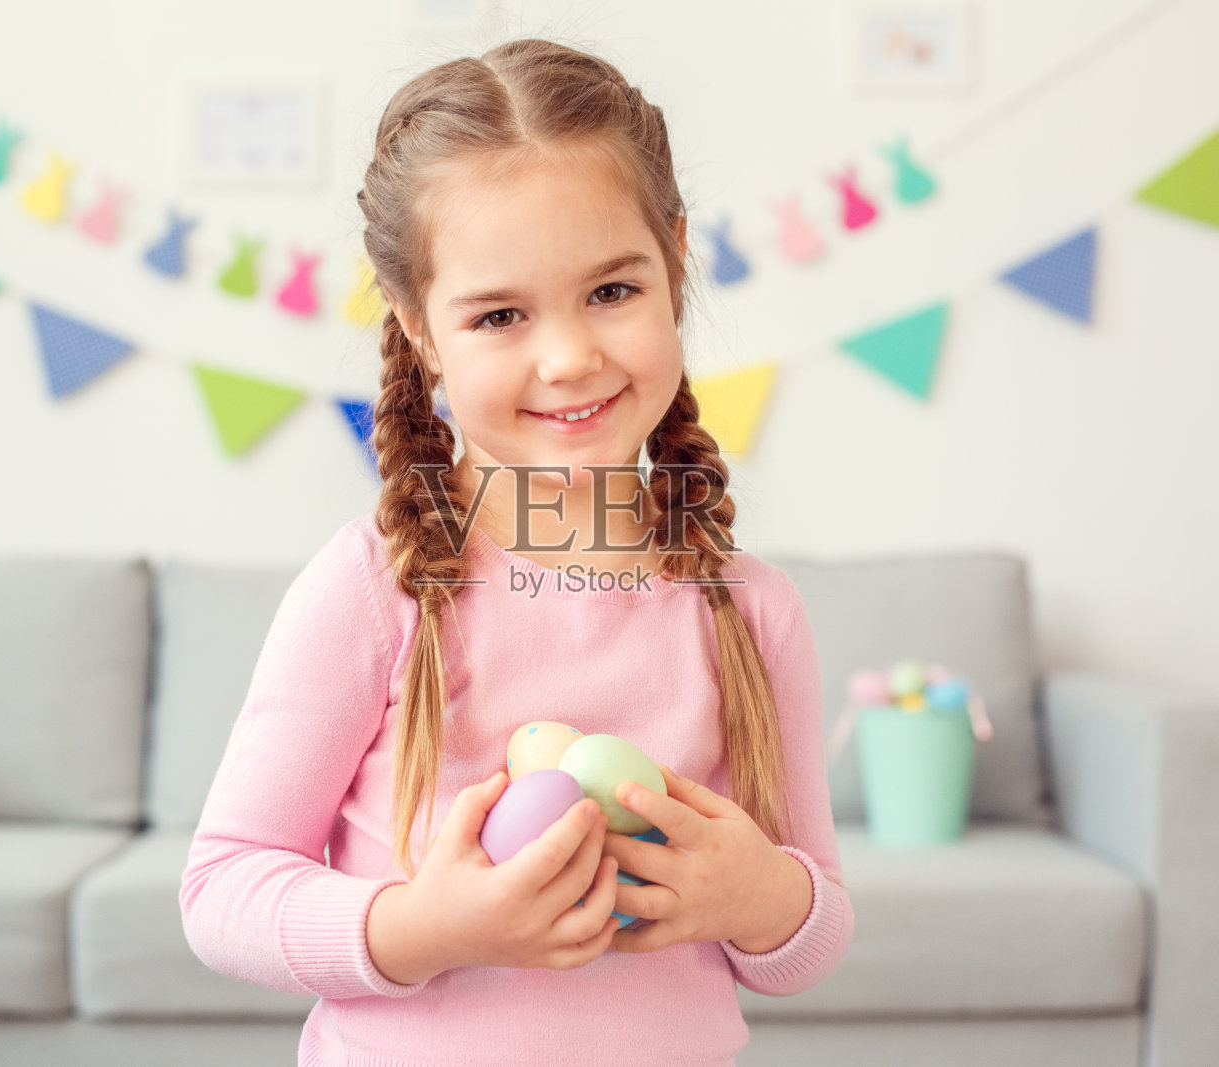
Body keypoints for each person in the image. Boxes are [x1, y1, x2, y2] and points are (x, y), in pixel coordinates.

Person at [180, 37, 853, 1066]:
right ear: (419, 330)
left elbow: (806, 938)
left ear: (675, 260)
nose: (569, 355)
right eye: (500, 313)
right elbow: (221, 887)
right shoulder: (375, 592)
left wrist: (761, 893)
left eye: (612, 292)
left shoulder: (747, 609)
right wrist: (423, 928)